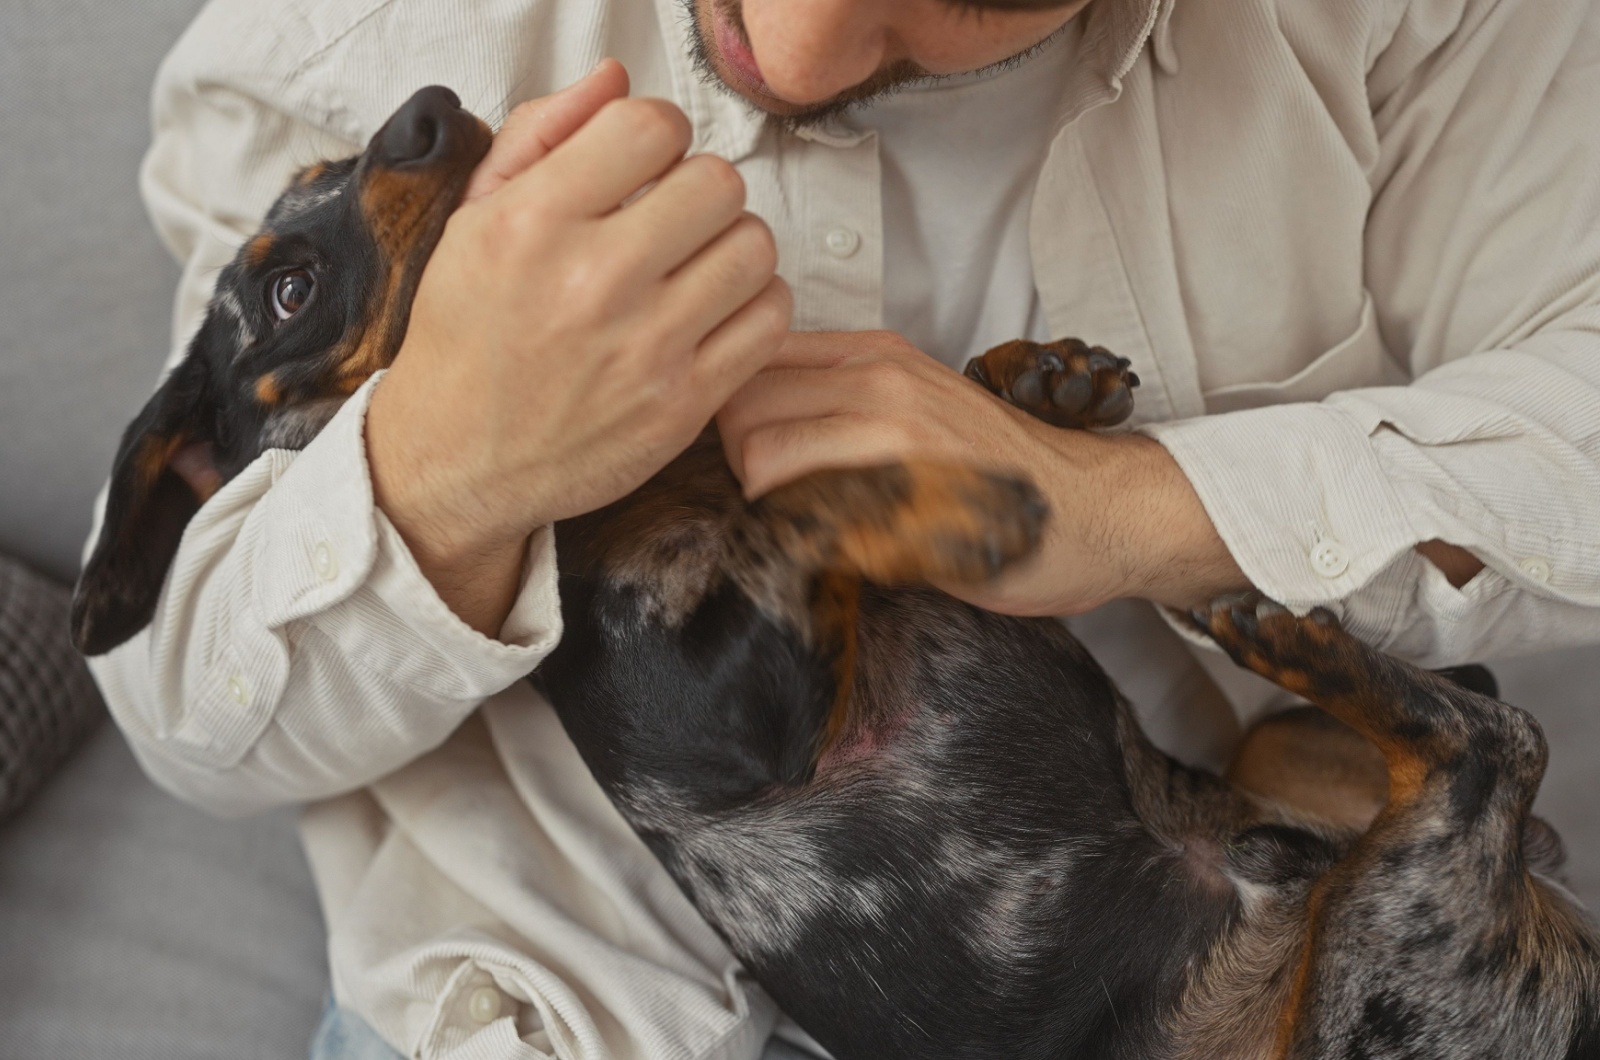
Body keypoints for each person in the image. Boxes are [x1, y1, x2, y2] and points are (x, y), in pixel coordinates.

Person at [88, 0, 1600, 1057]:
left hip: (1219, 941)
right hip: (532, 1021)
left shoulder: (1416, 27)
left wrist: (1142, 507)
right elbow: (178, 705)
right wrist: (445, 471)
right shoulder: (328, 38)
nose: (791, 52)